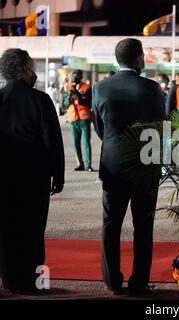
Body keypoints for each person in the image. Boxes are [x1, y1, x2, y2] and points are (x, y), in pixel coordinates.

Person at [92, 38, 165, 296]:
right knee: (143, 227)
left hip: (113, 167)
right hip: (145, 165)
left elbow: (99, 127)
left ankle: (112, 281)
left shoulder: (100, 88)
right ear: (139, 59)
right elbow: (160, 127)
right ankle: (139, 282)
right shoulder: (152, 88)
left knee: (111, 224)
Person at [0, 48, 64, 294]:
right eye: (32, 67)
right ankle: (35, 283)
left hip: (3, 177)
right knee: (33, 231)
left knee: (6, 231)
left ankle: (10, 282)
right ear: (25, 70)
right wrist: (58, 176)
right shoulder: (40, 100)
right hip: (34, 178)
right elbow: (53, 142)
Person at [64, 69, 93, 172]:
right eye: (73, 77)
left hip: (84, 119)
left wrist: (80, 97)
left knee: (86, 142)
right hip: (73, 119)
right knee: (75, 143)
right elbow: (65, 104)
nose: (74, 79)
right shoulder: (68, 88)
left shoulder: (87, 87)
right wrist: (69, 97)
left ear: (81, 77)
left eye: (76, 77)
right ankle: (80, 164)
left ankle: (88, 165)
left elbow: (90, 103)